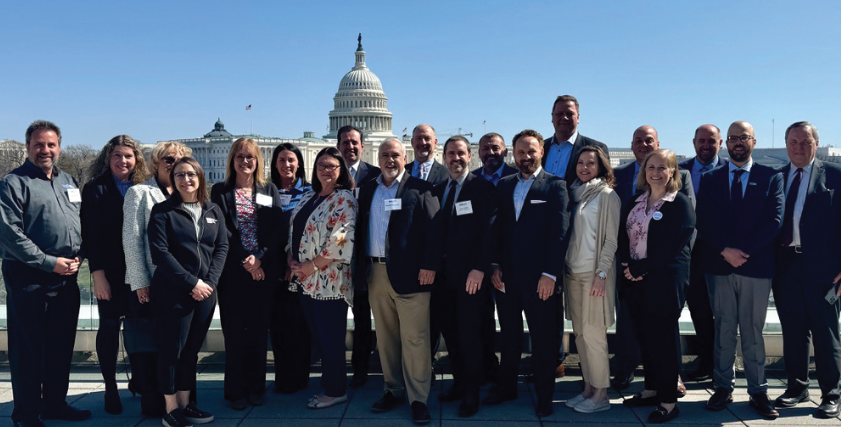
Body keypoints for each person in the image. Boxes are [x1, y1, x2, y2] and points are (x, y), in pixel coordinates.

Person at [0, 120, 91, 427]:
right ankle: (25, 414)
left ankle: (54, 404)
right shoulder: (13, 183)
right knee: (28, 349)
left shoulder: (67, 180)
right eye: (39, 144)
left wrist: (80, 254)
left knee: (60, 344)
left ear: (59, 147)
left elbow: (77, 222)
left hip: (66, 276)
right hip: (30, 276)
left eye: (51, 144)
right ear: (28, 147)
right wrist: (48, 261)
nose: (45, 150)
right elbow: (10, 234)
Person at [696, 121, 784, 419]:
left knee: (752, 331)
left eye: (742, 137)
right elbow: (703, 221)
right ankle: (723, 387)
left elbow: (774, 220)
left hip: (755, 266)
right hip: (718, 265)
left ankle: (758, 391)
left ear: (753, 141)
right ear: (725, 144)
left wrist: (742, 252)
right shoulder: (711, 179)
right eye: (732, 138)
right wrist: (725, 251)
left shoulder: (771, 177)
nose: (737, 143)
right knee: (723, 328)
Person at [354, 137, 440, 425]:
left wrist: (429, 266)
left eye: (395, 155)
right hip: (376, 273)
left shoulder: (420, 189)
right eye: (384, 156)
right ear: (377, 159)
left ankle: (419, 399)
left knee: (415, 339)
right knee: (386, 338)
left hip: (413, 275)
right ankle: (392, 389)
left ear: (406, 159)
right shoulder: (367, 190)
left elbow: (433, 231)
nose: (390, 160)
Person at [486, 129, 569, 417]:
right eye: (520, 152)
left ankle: (545, 395)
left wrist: (550, 274)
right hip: (507, 277)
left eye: (531, 151)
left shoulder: (556, 186)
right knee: (509, 336)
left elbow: (560, 235)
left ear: (541, 152)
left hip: (540, 280)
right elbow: (497, 229)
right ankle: (506, 387)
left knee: (544, 339)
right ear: (513, 153)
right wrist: (494, 264)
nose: (525, 157)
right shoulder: (505, 185)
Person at [611, 126, 694, 395]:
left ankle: (668, 398)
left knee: (664, 337)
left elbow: (674, 245)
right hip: (635, 279)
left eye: (662, 168)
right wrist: (627, 266)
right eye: (651, 168)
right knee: (644, 334)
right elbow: (623, 234)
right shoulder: (636, 200)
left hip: (665, 279)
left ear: (673, 172)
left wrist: (641, 268)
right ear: (644, 171)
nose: (656, 173)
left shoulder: (679, 203)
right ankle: (649, 391)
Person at [149, 157, 228, 427]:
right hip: (174, 292)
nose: (186, 180)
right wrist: (191, 283)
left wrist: (210, 282)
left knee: (192, 351)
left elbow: (221, 248)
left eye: (191, 174)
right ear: (173, 180)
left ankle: (185, 403)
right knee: (172, 350)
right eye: (180, 175)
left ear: (200, 177)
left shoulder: (213, 210)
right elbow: (160, 253)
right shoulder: (162, 211)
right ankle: (170, 408)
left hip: (206, 292)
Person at [772, 121, 841, 418]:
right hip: (785, 265)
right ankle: (797, 387)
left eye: (805, 141)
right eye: (793, 142)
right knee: (794, 330)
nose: (799, 147)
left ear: (816, 143)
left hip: (824, 268)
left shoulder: (836, 176)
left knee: (825, 333)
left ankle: (831, 393)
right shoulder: (776, 177)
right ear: (786, 145)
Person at [211, 138, 284, 410]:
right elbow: (222, 231)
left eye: (250, 157)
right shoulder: (220, 191)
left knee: (257, 332)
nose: (245, 161)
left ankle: (256, 388)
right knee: (234, 332)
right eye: (240, 156)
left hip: (262, 271)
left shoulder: (269, 189)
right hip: (233, 272)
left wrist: (260, 258)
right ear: (232, 160)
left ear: (257, 161)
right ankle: (235, 392)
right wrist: (246, 259)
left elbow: (276, 228)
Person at [123, 140, 192, 416]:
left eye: (180, 159)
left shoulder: (189, 191)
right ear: (156, 163)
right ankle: (156, 404)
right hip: (153, 282)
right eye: (168, 160)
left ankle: (183, 402)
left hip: (184, 283)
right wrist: (140, 281)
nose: (174, 164)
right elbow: (131, 239)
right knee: (154, 347)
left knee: (178, 347)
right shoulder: (140, 193)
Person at [542, 95, 609, 377]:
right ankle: (553, 359)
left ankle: (591, 370)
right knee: (548, 299)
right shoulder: (541, 147)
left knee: (584, 312)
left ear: (578, 117)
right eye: (559, 113)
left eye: (569, 113)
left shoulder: (593, 148)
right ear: (552, 116)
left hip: (581, 240)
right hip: (542, 236)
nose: (564, 118)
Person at [81, 135, 148, 415]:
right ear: (108, 159)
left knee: (138, 328)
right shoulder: (95, 189)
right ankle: (110, 386)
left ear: (137, 160)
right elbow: (90, 236)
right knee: (109, 327)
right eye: (117, 156)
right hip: (109, 271)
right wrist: (97, 274)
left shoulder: (143, 187)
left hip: (138, 271)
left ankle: (139, 379)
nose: (123, 161)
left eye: (128, 156)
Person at [287, 147, 357, 409]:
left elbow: (342, 239)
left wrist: (311, 266)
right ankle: (330, 379)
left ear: (341, 170)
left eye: (332, 166)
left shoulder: (345, 200)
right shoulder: (309, 197)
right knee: (319, 335)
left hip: (329, 281)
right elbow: (293, 231)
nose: (326, 170)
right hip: (305, 280)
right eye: (321, 165)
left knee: (331, 338)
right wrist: (290, 260)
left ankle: (336, 389)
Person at [431, 136, 496, 418]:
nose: (455, 159)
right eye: (450, 154)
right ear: (444, 157)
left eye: (460, 153)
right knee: (452, 335)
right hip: (442, 278)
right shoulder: (439, 189)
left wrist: (480, 267)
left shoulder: (482, 188)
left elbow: (489, 231)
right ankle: (458, 384)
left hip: (471, 277)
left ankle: (471, 394)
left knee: (470, 336)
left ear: (470, 156)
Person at [563, 146, 620, 414]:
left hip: (595, 274)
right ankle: (588, 388)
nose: (585, 167)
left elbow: (611, 241)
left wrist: (602, 274)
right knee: (581, 335)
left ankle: (601, 394)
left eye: (591, 163)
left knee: (595, 335)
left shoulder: (607, 196)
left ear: (602, 167)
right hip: (573, 273)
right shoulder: (575, 194)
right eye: (581, 163)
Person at [677, 125, 727, 383]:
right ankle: (705, 361)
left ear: (720, 143)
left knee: (721, 311)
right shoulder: (679, 169)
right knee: (698, 310)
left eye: (711, 141)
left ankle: (720, 364)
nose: (706, 145)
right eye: (701, 141)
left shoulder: (730, 170)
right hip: (687, 253)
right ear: (694, 143)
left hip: (720, 254)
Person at [471, 132, 517, 383]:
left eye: (495, 148)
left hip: (509, 263)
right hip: (477, 264)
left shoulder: (516, 178)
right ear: (478, 153)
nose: (490, 153)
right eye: (485, 148)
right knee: (481, 319)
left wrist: (498, 262)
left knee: (510, 323)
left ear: (505, 152)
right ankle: (486, 367)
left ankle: (507, 378)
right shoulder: (472, 180)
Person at [336, 125, 380, 388]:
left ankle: (361, 368)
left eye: (354, 143)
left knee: (363, 316)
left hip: (364, 257)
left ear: (362, 146)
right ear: (338, 145)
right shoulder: (329, 174)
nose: (350, 147)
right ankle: (334, 368)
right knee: (335, 318)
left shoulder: (374, 175)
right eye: (345, 143)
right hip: (335, 259)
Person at [268, 143, 313, 394]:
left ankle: (299, 376)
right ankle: (282, 377)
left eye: (291, 160)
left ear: (299, 163)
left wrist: (292, 259)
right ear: (275, 163)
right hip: (271, 267)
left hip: (298, 266)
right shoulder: (266, 191)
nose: (287, 165)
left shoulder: (308, 191)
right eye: (282, 160)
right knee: (277, 324)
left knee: (298, 324)